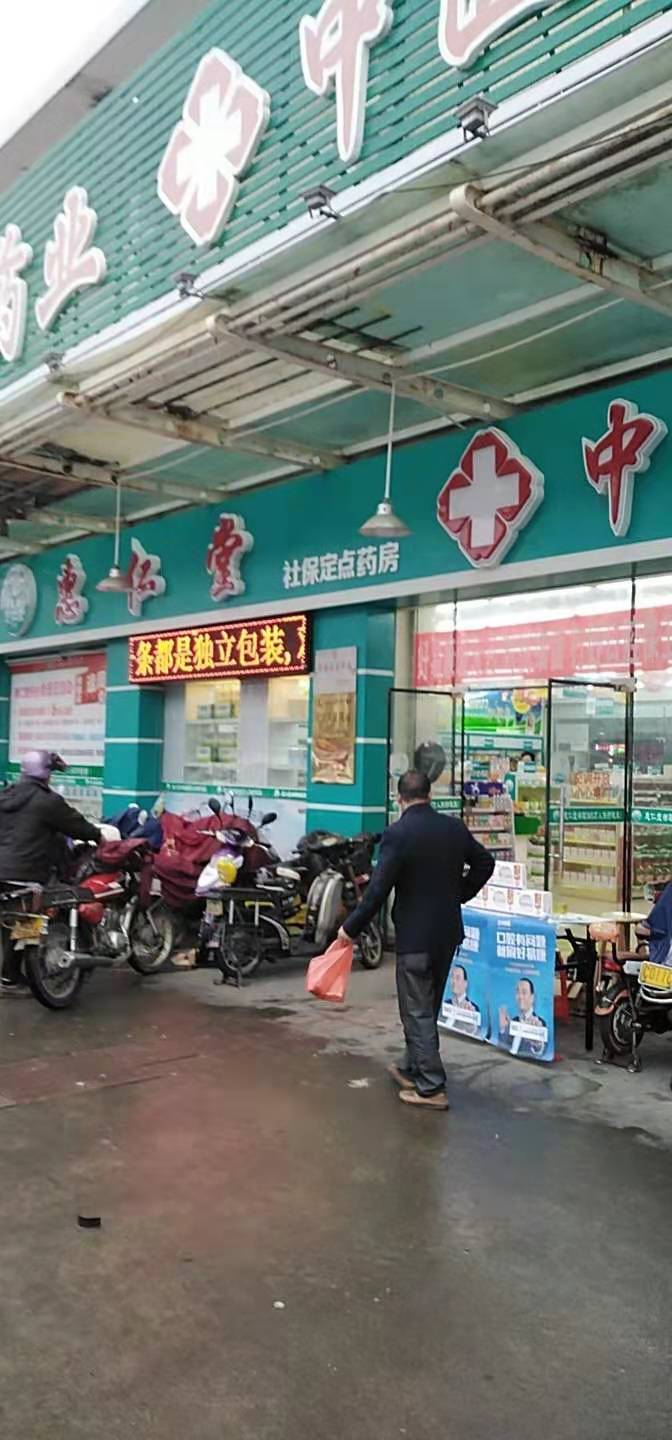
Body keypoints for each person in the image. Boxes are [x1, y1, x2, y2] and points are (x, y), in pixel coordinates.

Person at [340, 770, 494, 1110]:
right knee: (426, 1005)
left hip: (414, 936)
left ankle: (431, 1085)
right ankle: (411, 1066)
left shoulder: (398, 833)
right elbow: (485, 863)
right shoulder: (453, 828)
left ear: (400, 799)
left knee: (416, 1010)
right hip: (447, 934)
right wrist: (459, 894)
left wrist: (350, 928)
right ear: (429, 794)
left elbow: (377, 890)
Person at [0, 751, 103, 997]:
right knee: (29, 921)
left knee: (12, 921)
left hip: (3, 871)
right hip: (27, 872)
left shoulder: (6, 795)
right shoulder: (47, 801)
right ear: (46, 773)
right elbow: (77, 825)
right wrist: (99, 836)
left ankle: (10, 974)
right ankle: (10, 978)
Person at [498, 978, 548, 1058]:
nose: (520, 997)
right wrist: (503, 1029)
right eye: (518, 992)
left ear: (532, 997)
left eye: (524, 992)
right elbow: (503, 1045)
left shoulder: (539, 1023)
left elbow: (541, 1051)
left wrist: (537, 1044)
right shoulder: (513, 1022)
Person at [443, 962, 480, 1035]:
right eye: (452, 977)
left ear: (465, 983)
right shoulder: (445, 1004)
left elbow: (475, 1033)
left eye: (457, 978)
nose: (454, 981)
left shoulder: (473, 1008)